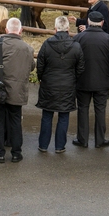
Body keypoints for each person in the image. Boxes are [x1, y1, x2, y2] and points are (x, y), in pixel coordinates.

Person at [0, 18, 35, 163]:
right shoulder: (28, 48)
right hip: (17, 90)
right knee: (16, 121)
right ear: (21, 30)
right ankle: (16, 153)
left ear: (6, 30)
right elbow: (31, 67)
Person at [36, 16, 85, 153]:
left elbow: (40, 65)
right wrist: (73, 79)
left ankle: (43, 145)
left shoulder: (47, 44)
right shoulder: (76, 46)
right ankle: (59, 146)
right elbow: (80, 67)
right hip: (68, 85)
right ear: (68, 28)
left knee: (47, 115)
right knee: (64, 116)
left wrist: (42, 78)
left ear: (55, 29)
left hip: (49, 84)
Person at [71, 11, 109, 148]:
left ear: (88, 22)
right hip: (102, 81)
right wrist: (108, 73)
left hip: (82, 80)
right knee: (100, 110)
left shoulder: (79, 38)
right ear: (102, 23)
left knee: (83, 109)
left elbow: (73, 59)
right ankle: (100, 139)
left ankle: (82, 139)